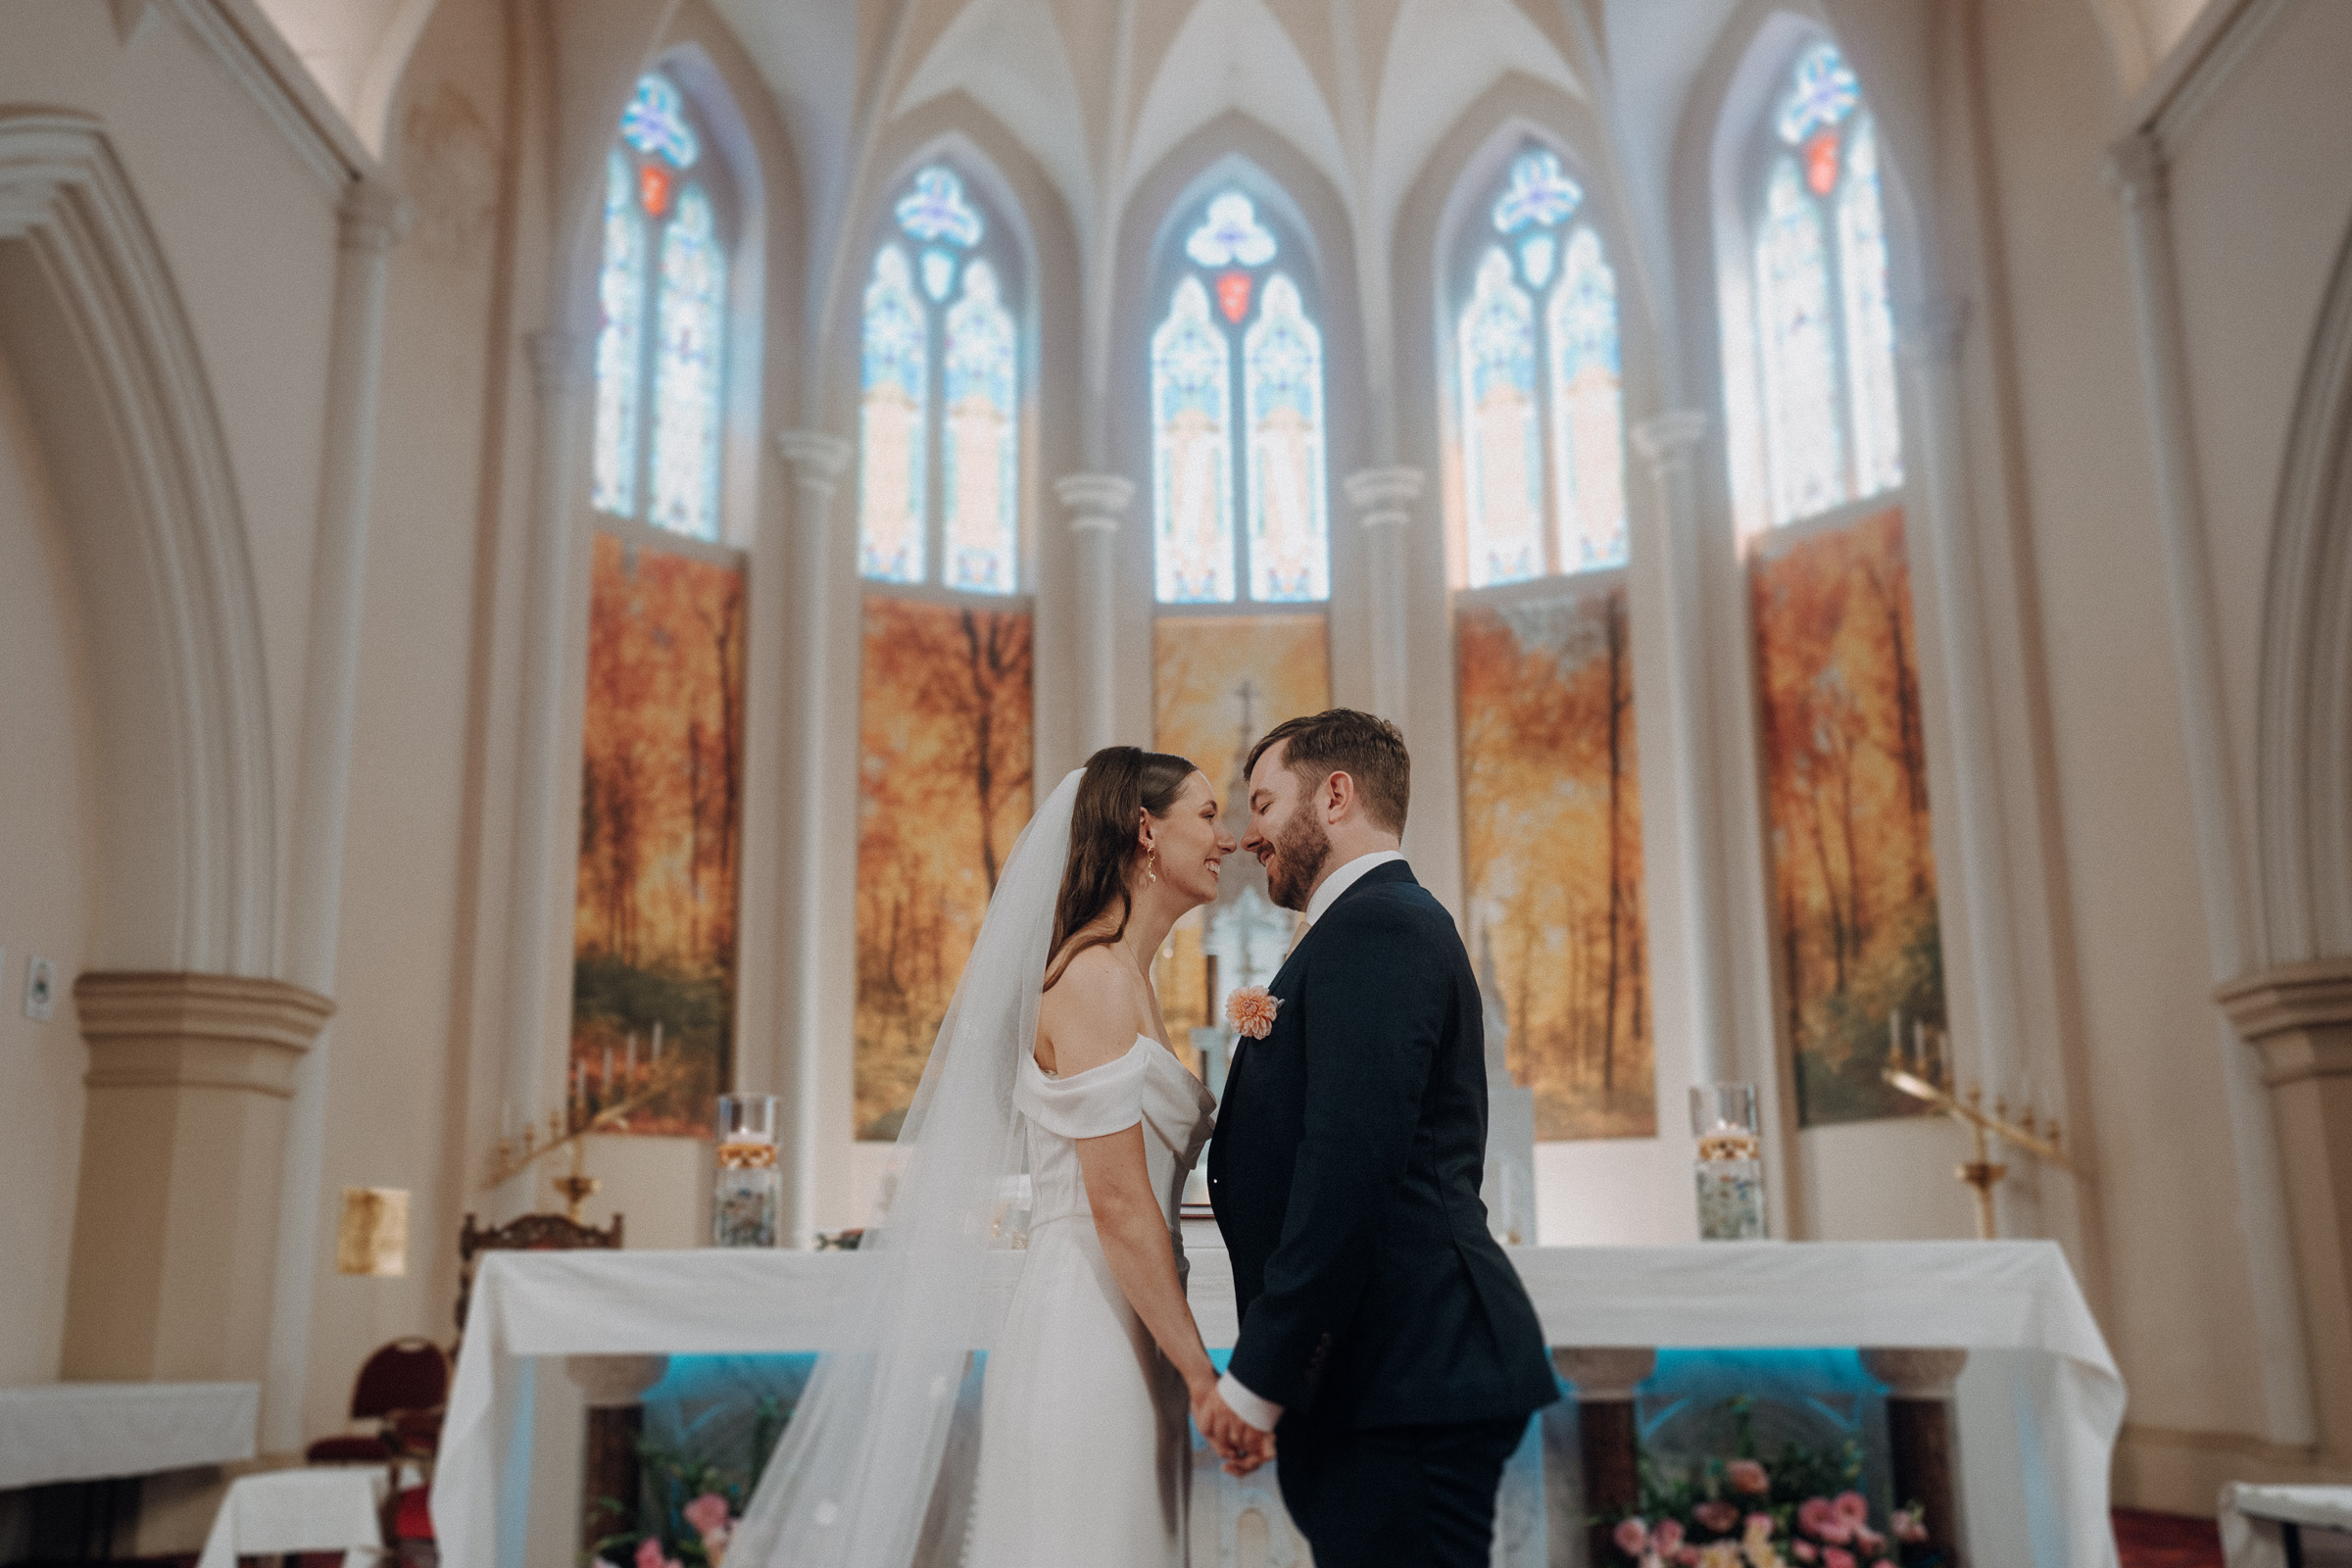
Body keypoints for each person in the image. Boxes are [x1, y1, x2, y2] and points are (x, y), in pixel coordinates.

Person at [728, 747, 1265, 1568]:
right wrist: (1203, 1376)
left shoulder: (1129, 977)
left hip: (1133, 1325)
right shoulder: (1090, 978)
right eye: (1207, 815)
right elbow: (1117, 1205)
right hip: (1086, 1326)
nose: (1225, 838)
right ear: (1145, 831)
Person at [1202, 708, 1560, 1568]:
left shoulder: (1378, 926)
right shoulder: (1363, 928)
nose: (1249, 834)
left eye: (1262, 801)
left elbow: (1347, 1171)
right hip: (1387, 1377)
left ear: (1334, 796)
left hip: (1408, 1375)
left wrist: (1257, 1380)